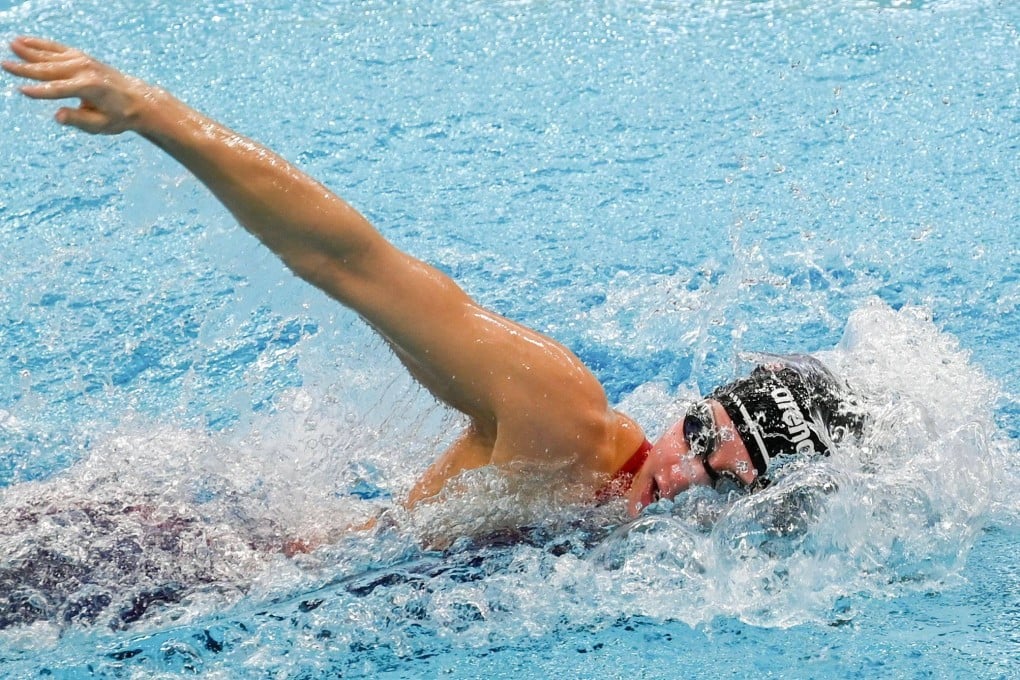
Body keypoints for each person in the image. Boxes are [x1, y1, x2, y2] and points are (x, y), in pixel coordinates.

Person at [2, 37, 863, 534]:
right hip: (168, 567)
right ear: (693, 404)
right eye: (700, 435)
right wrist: (154, 114)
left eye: (725, 482)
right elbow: (352, 263)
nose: (682, 477)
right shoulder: (562, 419)